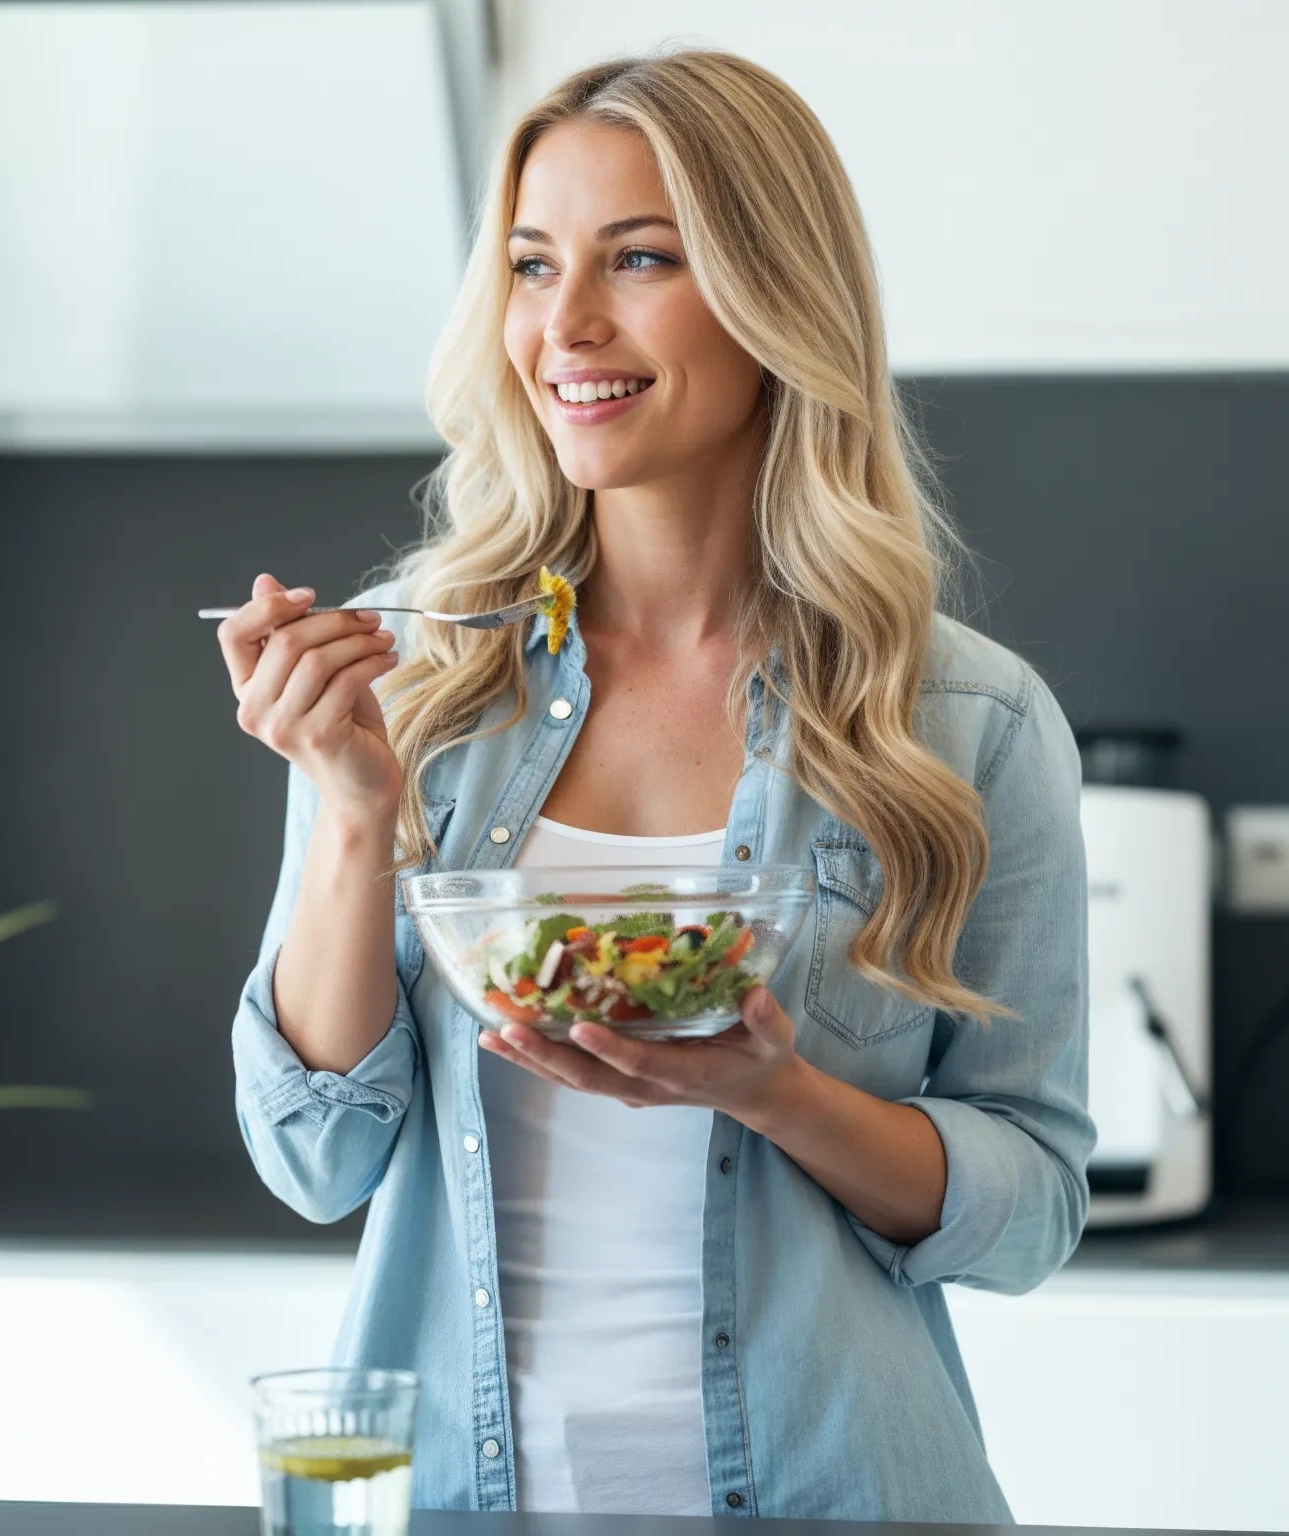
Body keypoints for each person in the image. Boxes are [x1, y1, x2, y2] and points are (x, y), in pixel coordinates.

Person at [216, 49, 1092, 1524]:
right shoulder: (420, 683)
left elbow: (1032, 1211)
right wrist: (359, 810)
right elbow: (316, 1156)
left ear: (774, 295)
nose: (565, 327)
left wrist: (776, 1091)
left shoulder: (963, 720)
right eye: (532, 264)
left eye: (640, 259)